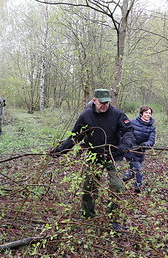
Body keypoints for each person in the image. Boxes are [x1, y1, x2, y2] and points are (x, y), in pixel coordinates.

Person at [50, 89, 135, 228]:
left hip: (114, 156)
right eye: (102, 103)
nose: (105, 105)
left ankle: (115, 218)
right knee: (89, 186)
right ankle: (88, 215)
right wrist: (60, 151)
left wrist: (126, 143)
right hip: (94, 156)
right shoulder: (86, 116)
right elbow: (75, 136)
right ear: (94, 100)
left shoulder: (117, 114)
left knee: (117, 186)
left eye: (107, 102)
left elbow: (129, 130)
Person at [123, 106, 156, 193]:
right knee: (138, 170)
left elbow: (151, 140)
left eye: (149, 113)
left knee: (131, 173)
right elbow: (125, 133)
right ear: (141, 113)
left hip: (140, 152)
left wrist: (146, 144)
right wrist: (127, 142)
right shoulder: (133, 122)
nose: (148, 115)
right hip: (130, 150)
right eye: (146, 113)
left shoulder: (152, 128)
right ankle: (137, 190)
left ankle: (119, 181)